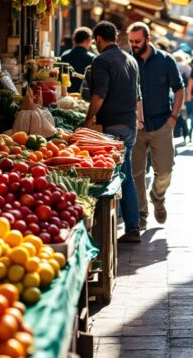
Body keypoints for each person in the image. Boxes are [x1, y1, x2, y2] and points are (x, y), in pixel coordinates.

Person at [82, 21, 144, 242]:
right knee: (125, 176)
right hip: (129, 124)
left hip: (112, 127)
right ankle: (132, 227)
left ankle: (109, 233)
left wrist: (88, 120)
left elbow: (99, 94)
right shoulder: (130, 59)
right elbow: (138, 96)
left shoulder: (101, 60)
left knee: (114, 179)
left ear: (98, 39)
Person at [128, 22, 185, 229]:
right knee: (136, 173)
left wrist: (174, 117)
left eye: (138, 41)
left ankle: (158, 197)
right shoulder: (128, 61)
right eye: (131, 41)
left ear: (148, 39)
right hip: (135, 126)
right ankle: (141, 215)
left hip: (162, 123)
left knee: (165, 170)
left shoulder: (166, 60)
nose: (133, 45)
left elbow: (179, 89)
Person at [60, 27, 95, 91]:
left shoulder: (64, 56)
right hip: (85, 96)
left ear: (74, 41)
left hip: (67, 95)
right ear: (88, 40)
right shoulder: (92, 58)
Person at [173, 52, 192, 143]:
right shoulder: (186, 67)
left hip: (171, 94)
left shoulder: (171, 65)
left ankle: (176, 133)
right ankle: (186, 133)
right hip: (183, 94)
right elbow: (191, 79)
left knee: (174, 114)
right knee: (183, 115)